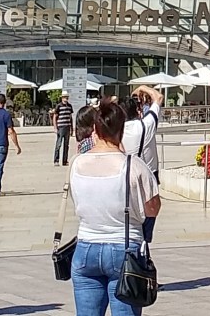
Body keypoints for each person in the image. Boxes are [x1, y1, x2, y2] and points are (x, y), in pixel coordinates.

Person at [69, 99, 161, 316]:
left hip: (85, 247)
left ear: (95, 129)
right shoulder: (134, 165)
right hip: (124, 248)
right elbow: (153, 209)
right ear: (122, 128)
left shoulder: (76, 162)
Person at [122, 85, 164, 243]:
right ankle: (144, 242)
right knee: (149, 212)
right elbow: (158, 97)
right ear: (138, 110)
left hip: (124, 175)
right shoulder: (146, 125)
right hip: (147, 176)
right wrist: (143, 88)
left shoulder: (115, 129)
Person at [54, 93, 75, 167]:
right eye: (64, 97)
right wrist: (55, 127)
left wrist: (72, 128)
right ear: (62, 98)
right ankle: (56, 160)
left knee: (66, 145)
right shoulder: (59, 106)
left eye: (67, 97)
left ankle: (64, 161)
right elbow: (55, 116)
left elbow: (70, 117)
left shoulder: (69, 106)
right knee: (58, 144)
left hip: (67, 126)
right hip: (61, 126)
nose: (66, 99)